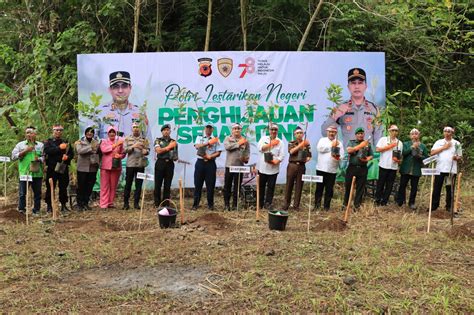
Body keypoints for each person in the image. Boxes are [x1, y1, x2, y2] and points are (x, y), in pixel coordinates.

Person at [321, 68, 383, 148]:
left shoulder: (374, 108)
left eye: (360, 83)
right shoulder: (340, 108)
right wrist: (334, 116)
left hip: (367, 156)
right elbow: (324, 132)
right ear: (348, 87)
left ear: (365, 86)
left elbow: (378, 135)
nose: (357, 86)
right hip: (348, 157)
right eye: (353, 83)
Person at [95, 71, 150, 139]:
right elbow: (88, 140)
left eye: (124, 86)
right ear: (110, 90)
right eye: (115, 87)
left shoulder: (140, 112)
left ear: (130, 88)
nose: (120, 90)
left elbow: (148, 143)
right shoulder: (99, 112)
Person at [11, 126, 44, 215]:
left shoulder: (40, 145)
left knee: (37, 194)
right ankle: (21, 210)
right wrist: (25, 151)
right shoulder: (20, 145)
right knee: (22, 193)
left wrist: (39, 159)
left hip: (37, 173)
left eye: (31, 132)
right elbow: (13, 157)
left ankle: (36, 210)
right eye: (27, 133)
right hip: (24, 173)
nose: (29, 134)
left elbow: (45, 157)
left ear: (35, 134)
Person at [430, 126, 462, 212]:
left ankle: (449, 206)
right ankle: (434, 206)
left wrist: (457, 158)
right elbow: (432, 153)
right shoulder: (439, 142)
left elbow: (460, 156)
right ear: (443, 132)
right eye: (445, 131)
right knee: (437, 188)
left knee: (450, 189)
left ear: (452, 133)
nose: (447, 133)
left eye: (449, 131)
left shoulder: (457, 143)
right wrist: (444, 147)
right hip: (439, 169)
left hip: (451, 170)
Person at [396, 128, 429, 209]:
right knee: (402, 185)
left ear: (419, 135)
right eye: (412, 134)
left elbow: (426, 158)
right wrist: (412, 147)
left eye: (416, 133)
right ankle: (401, 201)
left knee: (414, 187)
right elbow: (403, 153)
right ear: (410, 136)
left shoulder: (423, 146)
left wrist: (420, 156)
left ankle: (412, 203)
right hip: (406, 169)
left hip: (416, 170)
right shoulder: (406, 144)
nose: (414, 135)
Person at [44, 125, 74, 213]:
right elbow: (47, 151)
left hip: (63, 167)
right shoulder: (48, 142)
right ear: (53, 131)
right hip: (52, 168)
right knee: (50, 187)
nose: (58, 132)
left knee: (63, 186)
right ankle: (49, 206)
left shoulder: (66, 142)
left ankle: (64, 205)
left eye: (60, 130)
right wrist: (59, 148)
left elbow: (71, 154)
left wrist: (67, 157)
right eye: (56, 130)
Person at [192, 124, 222, 211]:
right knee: (198, 184)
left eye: (210, 128)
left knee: (210, 185)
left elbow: (218, 152)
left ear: (212, 129)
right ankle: (195, 204)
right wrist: (208, 143)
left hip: (211, 163)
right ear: (205, 129)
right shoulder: (199, 137)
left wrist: (210, 157)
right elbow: (197, 146)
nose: (208, 129)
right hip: (200, 163)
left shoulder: (216, 139)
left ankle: (210, 205)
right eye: (207, 128)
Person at [314, 125, 344, 210]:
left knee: (329, 190)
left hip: (332, 170)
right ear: (327, 132)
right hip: (320, 169)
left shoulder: (339, 143)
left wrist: (338, 157)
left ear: (336, 133)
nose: (331, 133)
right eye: (330, 132)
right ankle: (317, 206)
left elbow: (341, 156)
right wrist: (332, 145)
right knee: (319, 188)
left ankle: (326, 207)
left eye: (333, 132)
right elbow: (320, 149)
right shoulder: (322, 140)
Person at [343, 127, 373, 210]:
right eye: (358, 133)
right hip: (352, 167)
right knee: (348, 186)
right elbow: (349, 151)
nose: (360, 135)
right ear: (356, 135)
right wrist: (360, 146)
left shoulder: (368, 144)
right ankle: (345, 204)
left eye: (362, 133)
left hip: (363, 168)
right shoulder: (351, 142)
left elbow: (371, 155)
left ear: (364, 134)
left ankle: (357, 206)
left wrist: (367, 159)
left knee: (360, 188)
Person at [256, 123, 285, 210]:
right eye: (272, 129)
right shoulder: (263, 139)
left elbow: (282, 155)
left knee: (271, 188)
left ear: (277, 131)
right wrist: (271, 143)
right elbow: (260, 148)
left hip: (273, 169)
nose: (273, 131)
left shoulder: (281, 142)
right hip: (262, 168)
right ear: (269, 130)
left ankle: (268, 204)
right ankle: (260, 204)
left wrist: (277, 161)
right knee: (261, 187)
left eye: (275, 130)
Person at [283, 126, 312, 211]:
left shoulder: (306, 144)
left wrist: (304, 160)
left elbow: (309, 156)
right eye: (297, 133)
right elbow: (291, 151)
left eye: (301, 133)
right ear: (294, 135)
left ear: (303, 134)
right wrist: (301, 145)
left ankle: (296, 206)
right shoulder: (291, 142)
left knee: (299, 185)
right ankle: (286, 205)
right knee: (289, 185)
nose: (299, 135)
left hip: (301, 166)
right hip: (292, 165)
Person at [123, 122, 150, 210]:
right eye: (134, 127)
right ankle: (126, 203)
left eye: (137, 127)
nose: (136, 129)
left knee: (139, 185)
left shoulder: (144, 139)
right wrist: (133, 146)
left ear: (140, 128)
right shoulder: (127, 139)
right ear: (132, 128)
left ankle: (136, 203)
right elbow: (124, 150)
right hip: (130, 165)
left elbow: (148, 150)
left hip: (140, 165)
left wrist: (146, 151)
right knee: (128, 184)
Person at [223, 123, 250, 211]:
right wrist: (238, 144)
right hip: (229, 166)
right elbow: (227, 147)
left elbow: (247, 152)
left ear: (241, 130)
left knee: (237, 187)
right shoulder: (228, 138)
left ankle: (235, 205)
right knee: (227, 186)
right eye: (235, 128)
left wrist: (246, 159)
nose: (237, 130)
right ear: (232, 130)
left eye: (238, 128)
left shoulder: (245, 140)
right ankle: (226, 205)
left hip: (240, 167)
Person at [374, 124, 403, 206]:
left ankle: (384, 201)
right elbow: (377, 149)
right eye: (392, 130)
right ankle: (377, 200)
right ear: (389, 131)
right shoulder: (383, 139)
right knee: (380, 184)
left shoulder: (399, 143)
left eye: (396, 131)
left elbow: (400, 156)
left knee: (389, 185)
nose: (394, 132)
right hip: (383, 165)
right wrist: (389, 146)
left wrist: (398, 160)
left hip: (393, 167)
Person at [74, 126, 100, 210]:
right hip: (82, 168)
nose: (90, 133)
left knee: (89, 186)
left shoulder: (96, 142)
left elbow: (99, 153)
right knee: (81, 186)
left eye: (91, 132)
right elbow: (80, 151)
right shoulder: (80, 141)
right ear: (85, 133)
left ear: (93, 134)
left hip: (92, 168)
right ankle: (79, 204)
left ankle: (86, 203)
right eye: (88, 132)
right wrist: (90, 148)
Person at [99, 126, 125, 209]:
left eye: (113, 132)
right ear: (107, 133)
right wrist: (114, 145)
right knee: (104, 185)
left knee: (113, 185)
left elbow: (123, 153)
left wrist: (119, 156)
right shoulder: (104, 141)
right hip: (105, 167)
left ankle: (110, 202)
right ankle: (103, 204)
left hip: (116, 166)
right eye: (110, 132)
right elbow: (104, 150)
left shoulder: (120, 142)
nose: (112, 133)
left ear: (116, 133)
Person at [154, 124, 178, 207]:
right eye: (164, 130)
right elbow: (158, 151)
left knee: (167, 185)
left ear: (170, 131)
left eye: (168, 130)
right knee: (158, 184)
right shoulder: (158, 140)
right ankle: (157, 203)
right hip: (160, 163)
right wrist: (168, 147)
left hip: (170, 164)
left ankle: (166, 203)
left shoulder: (173, 142)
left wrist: (175, 156)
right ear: (162, 131)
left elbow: (176, 156)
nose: (166, 131)